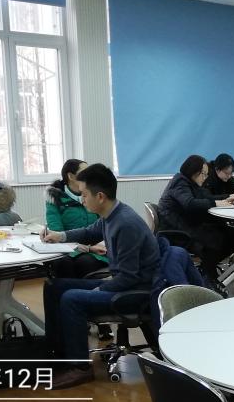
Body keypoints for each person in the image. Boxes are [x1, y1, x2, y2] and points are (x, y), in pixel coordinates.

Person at [41, 163, 160, 389]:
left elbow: (129, 278)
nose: (82, 200)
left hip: (136, 292)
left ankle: (80, 368)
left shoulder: (125, 224)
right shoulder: (110, 214)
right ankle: (58, 352)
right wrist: (59, 236)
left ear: (100, 196)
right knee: (54, 286)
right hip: (122, 283)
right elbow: (89, 233)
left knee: (71, 298)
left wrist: (100, 289)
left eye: (84, 195)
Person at [157, 155, 234, 284]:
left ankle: (206, 269)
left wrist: (228, 198)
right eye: (203, 174)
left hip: (188, 223)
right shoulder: (180, 182)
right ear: (193, 171)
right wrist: (217, 203)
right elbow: (189, 203)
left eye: (206, 174)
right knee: (216, 238)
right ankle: (208, 276)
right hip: (176, 229)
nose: (205, 177)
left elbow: (207, 197)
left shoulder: (191, 183)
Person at [46, 159, 109, 280]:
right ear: (71, 176)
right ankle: (68, 291)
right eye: (85, 171)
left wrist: (93, 247)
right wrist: (87, 248)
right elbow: (57, 232)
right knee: (63, 263)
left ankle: (80, 291)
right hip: (67, 247)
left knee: (84, 263)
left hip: (97, 248)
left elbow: (102, 226)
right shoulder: (55, 199)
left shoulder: (95, 194)